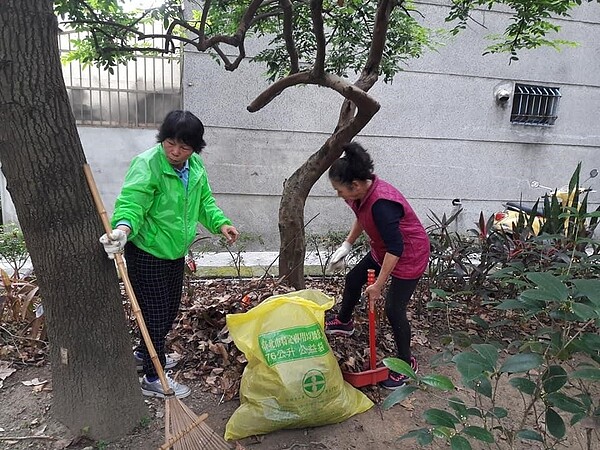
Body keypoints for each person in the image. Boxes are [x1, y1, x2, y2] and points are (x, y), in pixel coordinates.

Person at [99, 110, 239, 399]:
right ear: (162, 139)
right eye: (170, 144)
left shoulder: (195, 166)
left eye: (184, 147)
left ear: (195, 148)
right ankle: (153, 376)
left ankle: (144, 354)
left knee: (168, 310)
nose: (175, 152)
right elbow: (131, 204)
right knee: (155, 315)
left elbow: (204, 203)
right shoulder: (147, 164)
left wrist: (221, 223)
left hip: (175, 253)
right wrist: (122, 231)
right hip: (148, 252)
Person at [324, 142, 430, 390]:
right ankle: (344, 322)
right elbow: (362, 217)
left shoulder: (382, 204)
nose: (339, 195)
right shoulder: (362, 195)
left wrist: (378, 286)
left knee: (394, 310)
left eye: (340, 191)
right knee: (353, 279)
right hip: (385, 249)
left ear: (356, 185)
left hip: (408, 253)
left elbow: (397, 248)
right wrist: (347, 245)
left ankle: (407, 364)